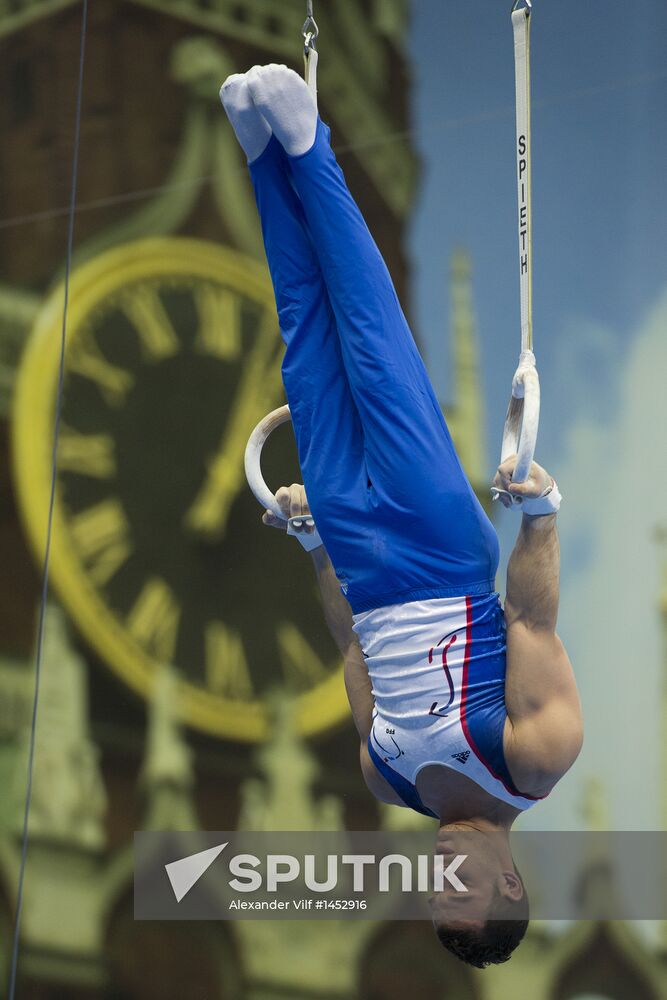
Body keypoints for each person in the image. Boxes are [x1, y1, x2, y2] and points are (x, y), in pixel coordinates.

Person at [220, 65, 583, 967]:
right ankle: (308, 145)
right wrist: (539, 516)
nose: (440, 878)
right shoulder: (534, 757)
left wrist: (315, 549)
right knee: (372, 346)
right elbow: (534, 617)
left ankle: (262, 158)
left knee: (306, 348)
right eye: (462, 892)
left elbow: (351, 646)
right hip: (440, 551)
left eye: (433, 899)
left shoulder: (385, 779)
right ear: (509, 884)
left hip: (363, 563)